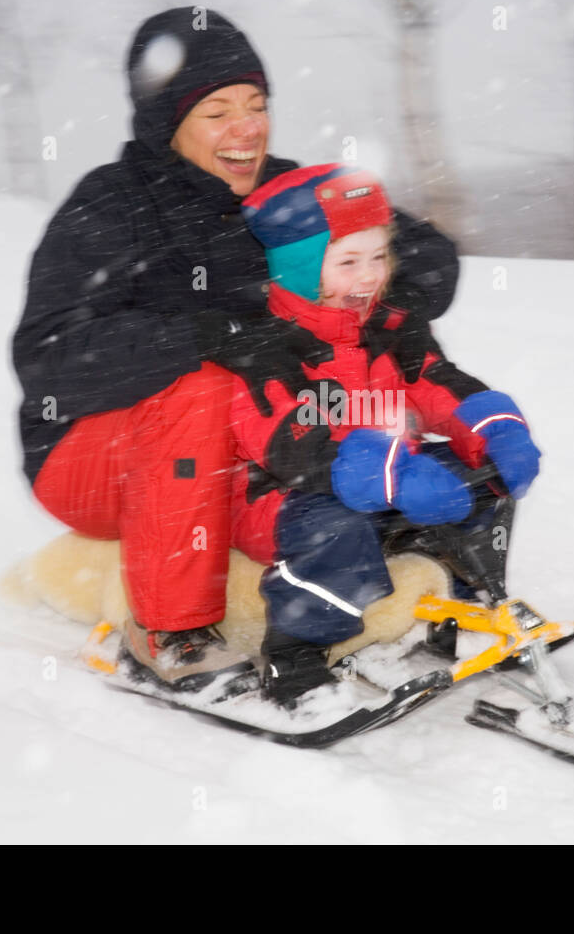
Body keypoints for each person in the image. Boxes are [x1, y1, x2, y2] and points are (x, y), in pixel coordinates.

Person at [11, 8, 460, 688]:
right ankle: (171, 630)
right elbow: (48, 360)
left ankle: (368, 544)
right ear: (168, 124)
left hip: (253, 443)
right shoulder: (111, 205)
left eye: (256, 105)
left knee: (362, 318)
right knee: (206, 383)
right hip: (90, 455)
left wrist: (370, 298)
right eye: (217, 112)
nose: (247, 128)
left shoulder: (294, 195)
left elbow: (424, 255)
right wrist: (207, 335)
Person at [229, 164, 543, 707]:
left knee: (483, 482)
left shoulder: (387, 325)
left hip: (393, 479)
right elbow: (294, 445)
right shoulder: (264, 348)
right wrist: (393, 474)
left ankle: (463, 611)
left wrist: (495, 429)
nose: (370, 275)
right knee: (336, 523)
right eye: (348, 261)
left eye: (378, 257)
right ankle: (296, 655)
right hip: (280, 496)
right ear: (301, 269)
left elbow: (433, 384)